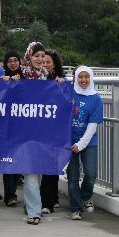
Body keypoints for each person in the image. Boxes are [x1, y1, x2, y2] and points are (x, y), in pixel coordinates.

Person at [67, 66, 103, 220]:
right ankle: (76, 208)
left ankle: (85, 196)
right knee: (73, 177)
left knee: (91, 173)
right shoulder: (68, 93)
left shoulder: (96, 98)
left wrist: (81, 144)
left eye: (86, 77)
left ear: (91, 78)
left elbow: (93, 125)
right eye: (80, 77)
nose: (83, 80)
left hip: (88, 142)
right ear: (75, 78)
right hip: (68, 141)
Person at [19, 41, 49, 225]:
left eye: (42, 56)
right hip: (24, 130)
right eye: (36, 56)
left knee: (39, 171)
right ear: (29, 56)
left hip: (43, 130)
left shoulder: (47, 76)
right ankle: (34, 211)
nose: (39, 59)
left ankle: (31, 202)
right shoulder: (20, 75)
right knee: (30, 171)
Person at [40, 49, 66, 213]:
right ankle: (43, 200)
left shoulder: (61, 82)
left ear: (55, 64)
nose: (45, 64)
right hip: (38, 129)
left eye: (48, 62)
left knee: (52, 166)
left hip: (54, 131)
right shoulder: (34, 79)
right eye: (43, 61)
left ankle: (49, 201)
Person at [1, 50, 22, 207]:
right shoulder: (1, 77)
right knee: (8, 160)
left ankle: (13, 190)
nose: (13, 63)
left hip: (21, 124)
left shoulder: (26, 77)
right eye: (10, 61)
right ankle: (10, 195)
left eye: (16, 60)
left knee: (18, 159)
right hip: (5, 125)